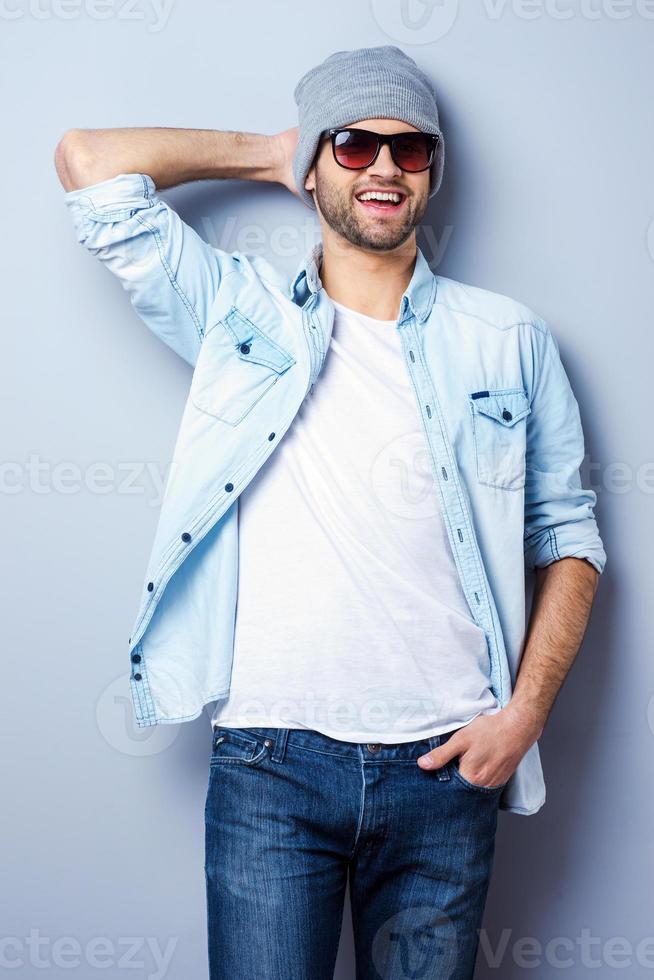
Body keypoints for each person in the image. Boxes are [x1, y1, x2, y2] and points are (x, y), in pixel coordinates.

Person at [55, 44, 606, 980]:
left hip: (447, 767)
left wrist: (525, 717)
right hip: (271, 766)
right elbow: (88, 165)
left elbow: (571, 541)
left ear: (434, 169)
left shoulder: (508, 340)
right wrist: (274, 151)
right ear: (315, 166)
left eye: (409, 147)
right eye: (353, 145)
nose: (385, 167)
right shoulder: (241, 314)